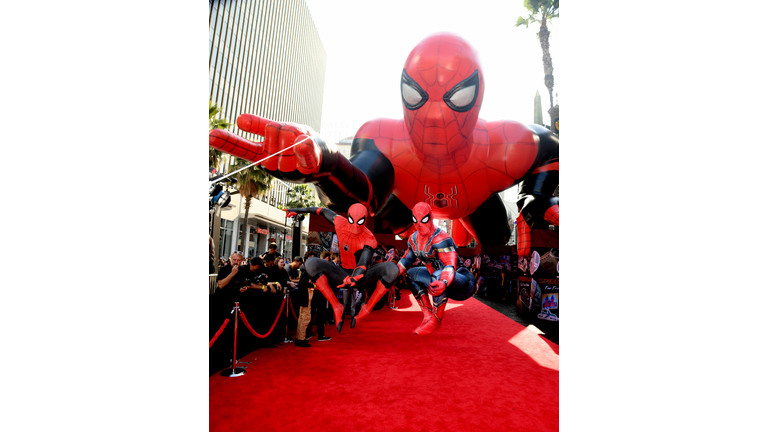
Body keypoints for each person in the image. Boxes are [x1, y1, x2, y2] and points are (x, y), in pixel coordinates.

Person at [286, 203, 400, 332]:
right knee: (311, 263)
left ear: (365, 221)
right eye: (352, 220)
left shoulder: (369, 238)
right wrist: (297, 210)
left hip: (362, 276)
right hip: (341, 272)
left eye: (360, 221)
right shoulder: (339, 222)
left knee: (392, 269)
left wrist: (354, 278)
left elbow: (363, 261)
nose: (355, 226)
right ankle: (336, 306)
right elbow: (321, 210)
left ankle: (367, 308)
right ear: (348, 217)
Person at [397, 202, 476, 335]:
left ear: (431, 217)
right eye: (415, 220)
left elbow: (450, 264)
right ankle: (427, 314)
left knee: (439, 274)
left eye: (423, 220)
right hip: (439, 282)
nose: (419, 224)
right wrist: (389, 274)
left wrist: (443, 281)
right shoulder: (413, 239)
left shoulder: (441, 238)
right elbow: (404, 262)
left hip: (463, 283)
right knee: (410, 274)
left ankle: (436, 320)